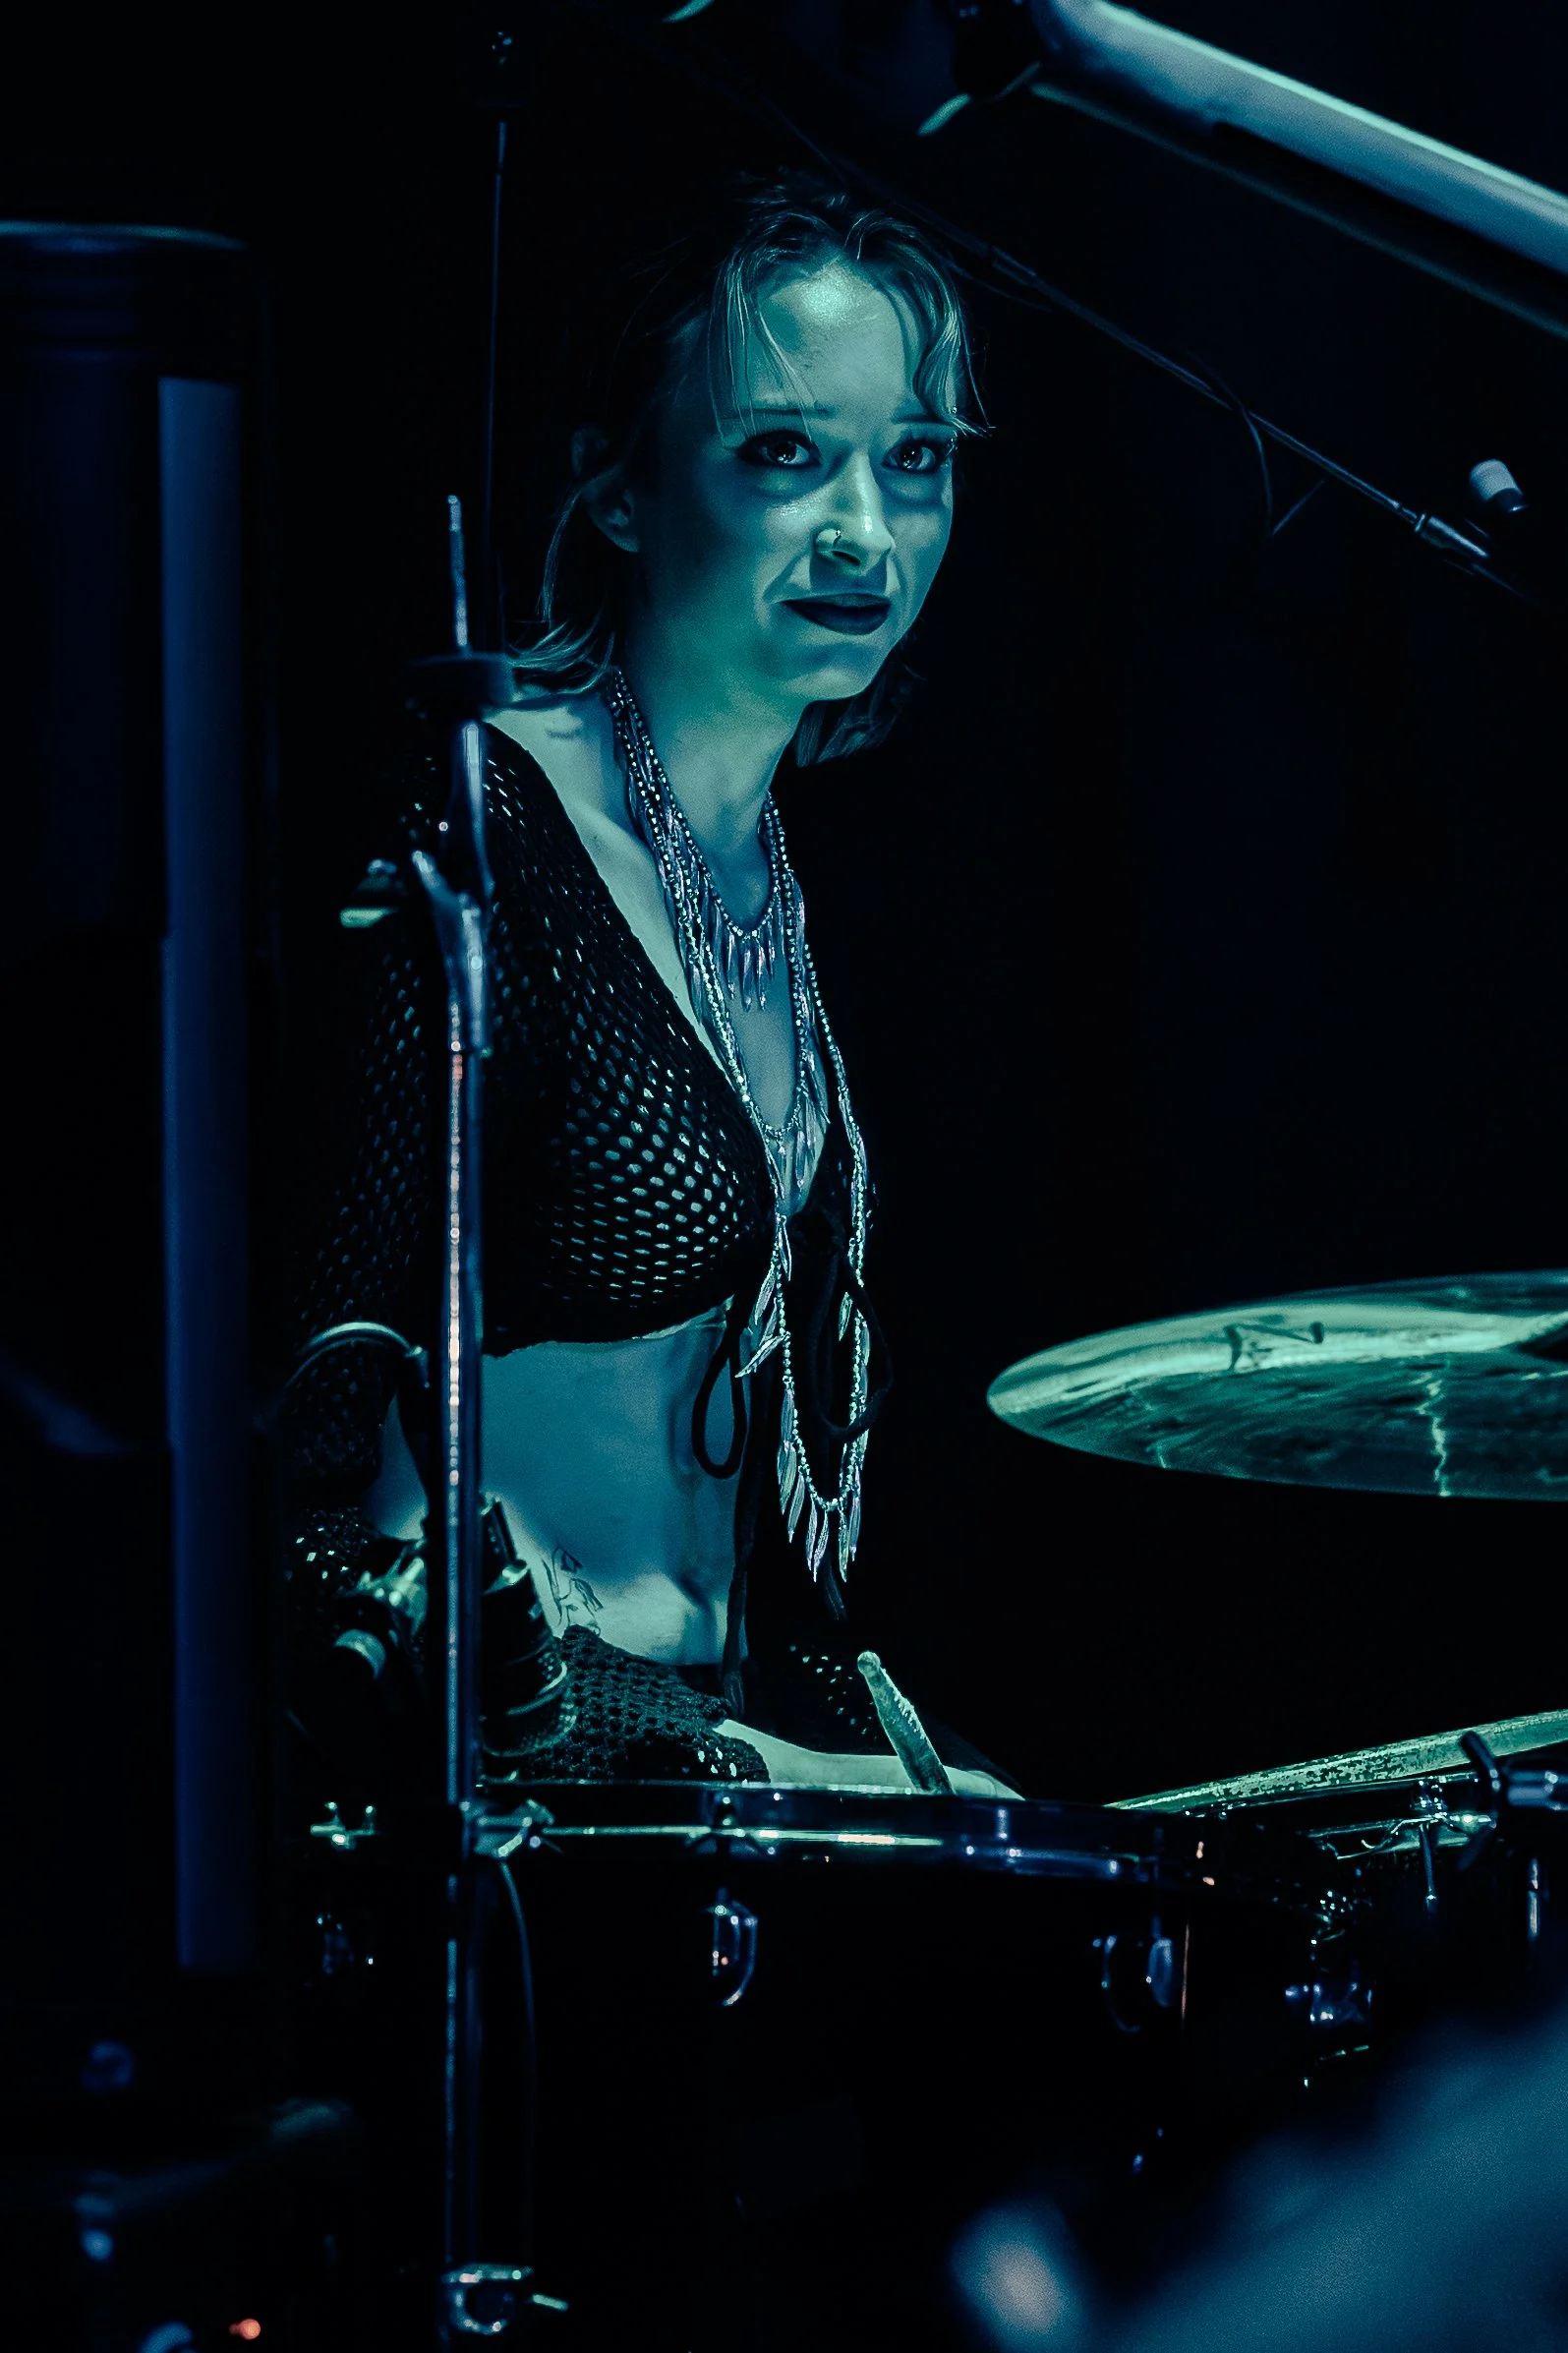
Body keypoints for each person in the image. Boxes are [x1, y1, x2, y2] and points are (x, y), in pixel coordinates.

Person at [286, 174, 1014, 1794]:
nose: (864, 533)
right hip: (501, 1803)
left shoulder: (782, 877)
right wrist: (722, 1770)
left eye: (912, 461)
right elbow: (298, 1511)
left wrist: (924, 1778)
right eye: (781, 452)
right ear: (616, 491)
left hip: (713, 1749)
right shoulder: (476, 845)